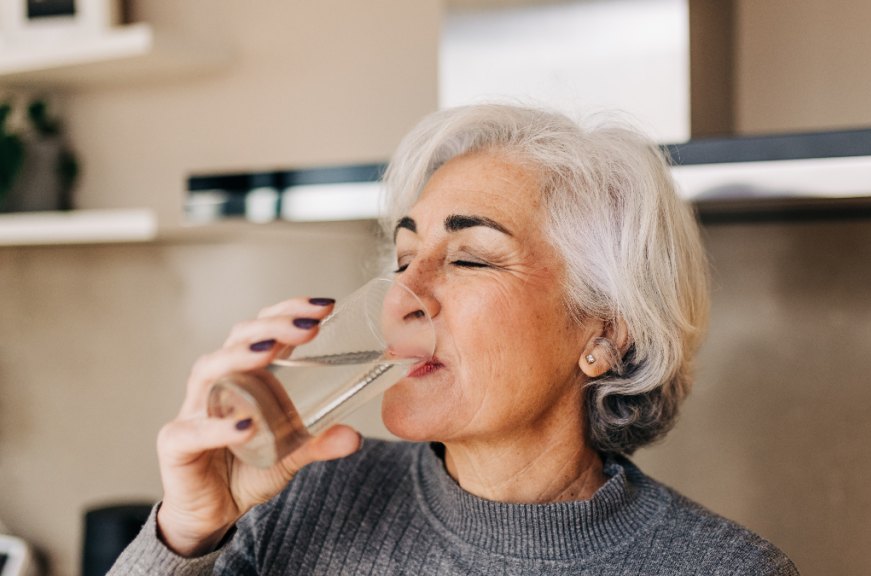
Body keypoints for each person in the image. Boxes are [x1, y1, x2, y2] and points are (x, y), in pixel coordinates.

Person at [111, 104, 799, 575]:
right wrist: (186, 535)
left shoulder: (722, 568)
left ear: (605, 333)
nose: (406, 298)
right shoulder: (298, 499)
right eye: (403, 260)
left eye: (469, 257)